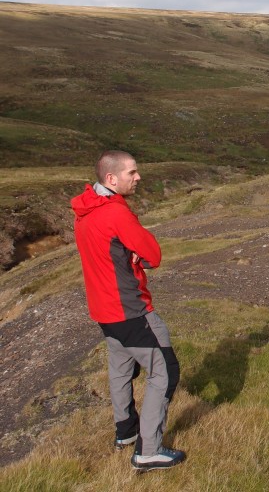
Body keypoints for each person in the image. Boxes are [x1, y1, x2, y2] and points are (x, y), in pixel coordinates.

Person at [71, 150, 185, 472]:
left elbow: (112, 254)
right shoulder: (116, 214)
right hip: (130, 310)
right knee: (165, 372)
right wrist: (137, 256)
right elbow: (153, 253)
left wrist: (129, 255)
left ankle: (125, 433)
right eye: (132, 173)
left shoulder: (84, 212)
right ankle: (148, 451)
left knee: (121, 369)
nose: (138, 178)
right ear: (111, 179)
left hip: (103, 310)